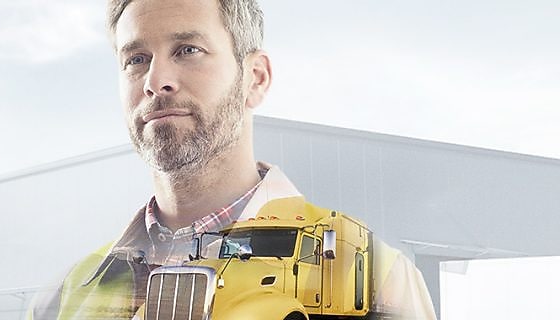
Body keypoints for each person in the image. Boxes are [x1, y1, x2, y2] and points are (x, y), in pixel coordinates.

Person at [26, 0, 437, 319]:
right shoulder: (64, 295)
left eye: (187, 49)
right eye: (136, 59)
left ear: (255, 78)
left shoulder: (370, 275)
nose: (155, 81)